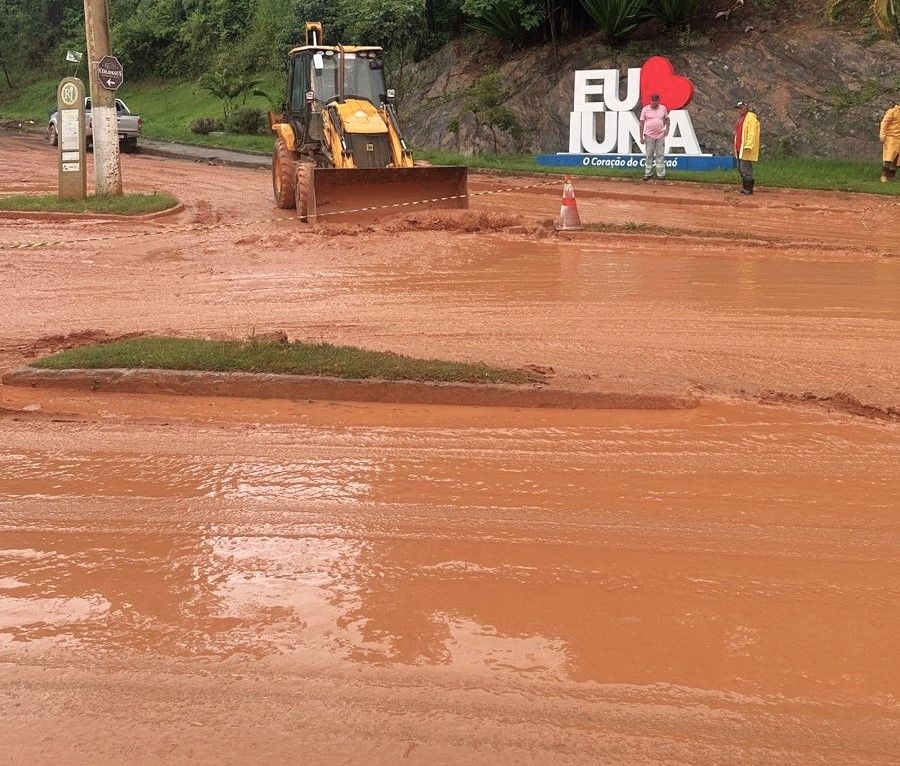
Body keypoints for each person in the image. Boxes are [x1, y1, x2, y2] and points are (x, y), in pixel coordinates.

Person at [640, 93, 670, 181]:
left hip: (660, 135)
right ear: (650, 101)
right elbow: (641, 123)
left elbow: (667, 119)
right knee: (649, 154)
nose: (654, 103)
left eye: (656, 101)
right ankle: (648, 173)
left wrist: (667, 129)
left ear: (658, 101)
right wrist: (641, 136)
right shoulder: (645, 109)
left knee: (660, 154)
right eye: (653, 101)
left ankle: (661, 174)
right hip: (649, 135)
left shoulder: (663, 108)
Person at [734, 100, 760, 195]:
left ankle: (748, 189)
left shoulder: (750, 118)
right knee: (740, 168)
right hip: (739, 147)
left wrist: (748, 145)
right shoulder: (741, 118)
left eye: (741, 108)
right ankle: (745, 187)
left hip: (745, 147)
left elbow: (752, 133)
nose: (739, 110)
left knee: (745, 168)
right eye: (738, 108)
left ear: (746, 107)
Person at [879, 101, 900, 182]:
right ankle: (884, 175)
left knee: (898, 160)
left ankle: (891, 175)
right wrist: (882, 135)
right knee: (889, 157)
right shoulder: (892, 111)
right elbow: (884, 123)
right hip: (892, 138)